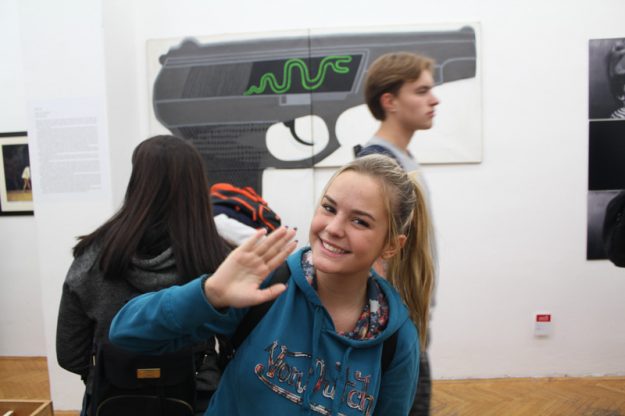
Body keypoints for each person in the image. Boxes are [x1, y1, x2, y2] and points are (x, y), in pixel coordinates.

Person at [109, 154, 435, 415]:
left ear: (391, 245)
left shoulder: (395, 340)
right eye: (329, 208)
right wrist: (209, 293)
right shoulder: (267, 289)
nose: (334, 228)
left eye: (360, 221)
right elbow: (126, 333)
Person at [55, 135, 230, 415]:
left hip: (111, 399)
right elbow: (238, 346)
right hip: (199, 399)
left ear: (137, 180)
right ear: (196, 184)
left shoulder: (91, 258)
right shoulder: (217, 258)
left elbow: (70, 355)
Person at [356, 51, 439, 415]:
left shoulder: (400, 160)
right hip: (397, 328)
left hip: (408, 321)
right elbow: (371, 257)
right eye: (421, 91)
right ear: (389, 101)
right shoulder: (380, 167)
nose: (434, 100)